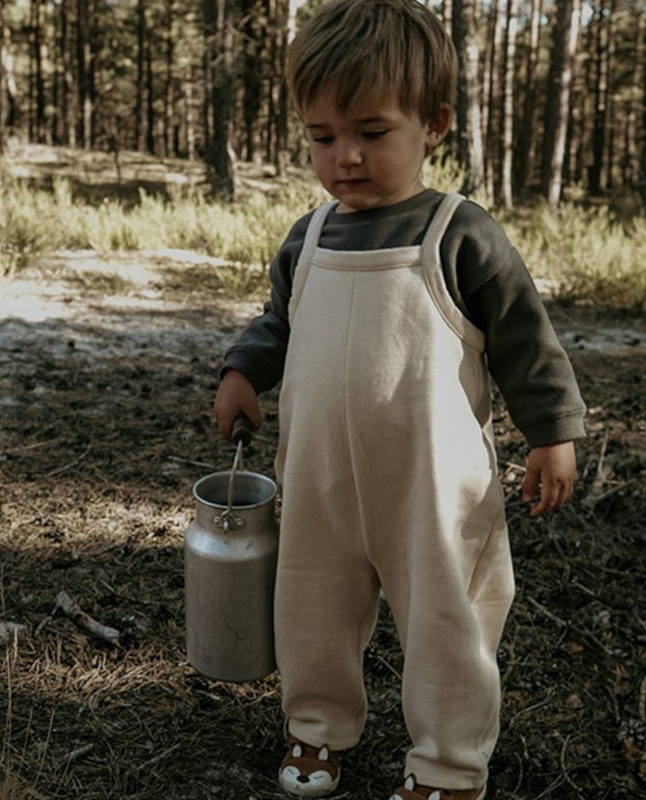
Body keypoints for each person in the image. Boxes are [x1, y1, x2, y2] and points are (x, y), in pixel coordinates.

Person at [213, 1, 586, 798]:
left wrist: (553, 432)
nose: (345, 157)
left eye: (371, 133)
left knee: (449, 620)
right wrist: (244, 372)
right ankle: (315, 730)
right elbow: (279, 322)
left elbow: (526, 340)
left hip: (431, 486)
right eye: (322, 137)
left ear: (435, 122)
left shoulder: (461, 234)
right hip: (319, 481)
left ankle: (448, 765)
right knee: (310, 609)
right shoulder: (307, 237)